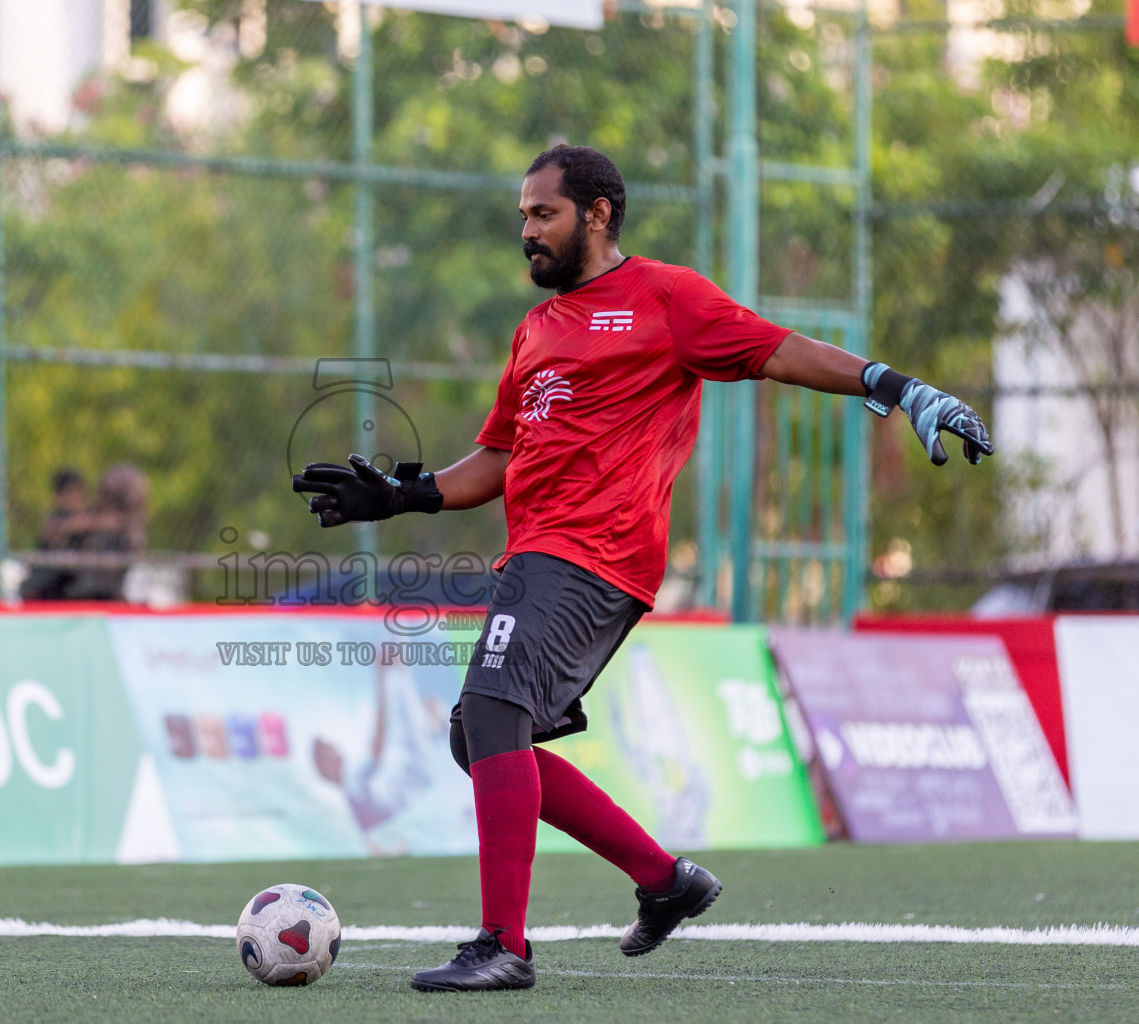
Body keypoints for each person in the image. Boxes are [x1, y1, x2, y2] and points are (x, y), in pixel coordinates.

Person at [293, 144, 993, 993]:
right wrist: (400, 495)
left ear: (597, 214)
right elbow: (495, 462)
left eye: (542, 214)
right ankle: (666, 881)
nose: (527, 231)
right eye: (521, 215)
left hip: (596, 552)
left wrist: (899, 387)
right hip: (540, 551)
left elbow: (778, 350)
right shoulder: (535, 331)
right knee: (477, 736)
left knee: (491, 710)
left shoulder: (667, 297)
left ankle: (502, 945)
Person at [64, 463, 149, 601]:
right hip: (88, 588)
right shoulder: (92, 517)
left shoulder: (132, 530)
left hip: (115, 587)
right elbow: (68, 526)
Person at [22, 468, 92, 600]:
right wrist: (72, 525)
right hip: (50, 582)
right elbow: (53, 532)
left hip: (76, 582)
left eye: (79, 492)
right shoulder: (54, 519)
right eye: (70, 492)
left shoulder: (90, 516)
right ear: (59, 496)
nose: (75, 498)